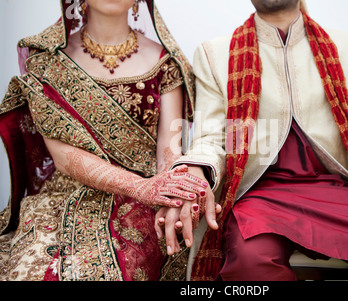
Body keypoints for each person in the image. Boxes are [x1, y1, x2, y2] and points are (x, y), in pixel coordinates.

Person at [158, 0, 348, 281]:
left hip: (334, 192)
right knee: (250, 262)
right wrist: (194, 174)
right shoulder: (214, 54)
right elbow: (213, 137)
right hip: (259, 198)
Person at [0, 0, 207, 281]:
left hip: (142, 205)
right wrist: (142, 187)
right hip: (62, 201)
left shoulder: (165, 63)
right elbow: (63, 156)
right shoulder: (47, 60)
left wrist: (171, 190)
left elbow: (169, 148)